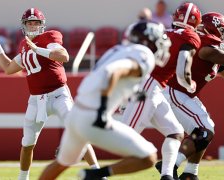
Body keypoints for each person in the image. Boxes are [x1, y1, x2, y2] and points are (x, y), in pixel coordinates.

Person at [39, 21, 172, 180]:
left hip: (77, 113)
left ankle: (94, 174)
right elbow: (112, 72)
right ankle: (96, 175)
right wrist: (102, 109)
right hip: (93, 116)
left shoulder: (117, 50)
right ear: (148, 41)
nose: (162, 45)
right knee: (149, 157)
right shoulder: (144, 54)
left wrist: (133, 93)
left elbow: (109, 75)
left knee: (61, 164)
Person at [0, 8, 101, 180]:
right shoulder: (23, 45)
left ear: (42, 25)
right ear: (24, 25)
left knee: (77, 129)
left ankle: (98, 174)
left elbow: (63, 56)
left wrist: (38, 49)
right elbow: (8, 68)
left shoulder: (50, 37)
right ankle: (23, 178)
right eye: (29, 23)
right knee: (27, 143)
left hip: (58, 94)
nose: (33, 26)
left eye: (36, 23)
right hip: (36, 99)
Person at [156, 12, 224, 180]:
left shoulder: (215, 51)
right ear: (213, 29)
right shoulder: (205, 46)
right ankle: (171, 164)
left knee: (206, 128)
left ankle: (190, 173)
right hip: (173, 91)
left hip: (183, 94)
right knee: (204, 130)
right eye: (223, 31)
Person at [121, 2, 201, 180]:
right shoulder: (190, 36)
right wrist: (189, 84)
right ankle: (81, 147)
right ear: (196, 21)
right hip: (148, 86)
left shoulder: (164, 31)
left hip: (151, 85)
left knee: (175, 132)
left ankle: (167, 175)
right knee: (123, 137)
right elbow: (182, 72)